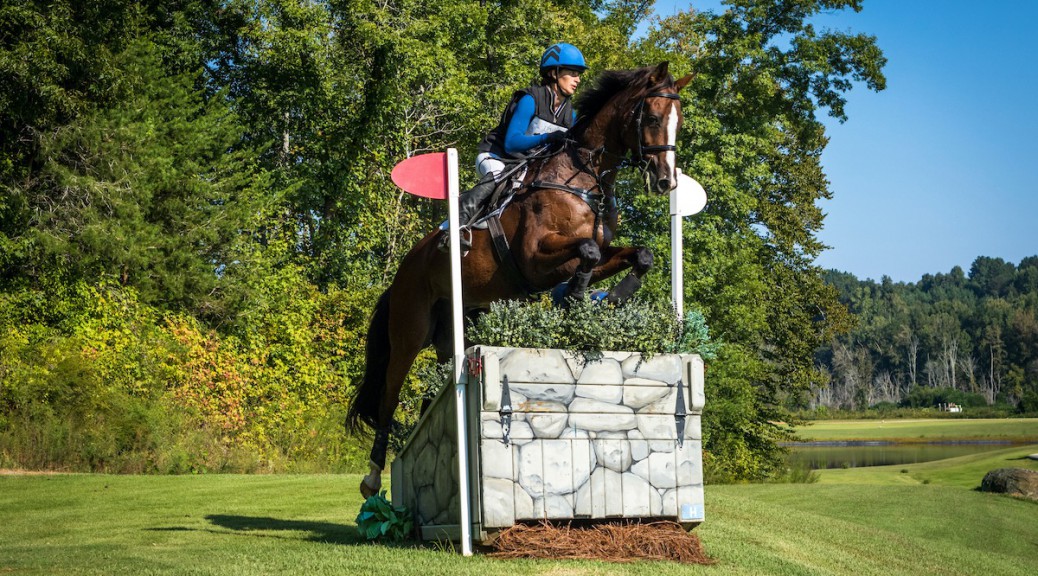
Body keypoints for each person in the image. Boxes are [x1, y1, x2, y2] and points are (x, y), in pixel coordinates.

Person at [443, 43, 588, 246]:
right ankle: (454, 227)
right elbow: (511, 143)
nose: (578, 79)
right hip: (497, 156)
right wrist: (547, 138)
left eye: (579, 74)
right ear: (554, 73)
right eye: (573, 73)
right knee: (497, 176)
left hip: (526, 167)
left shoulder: (569, 114)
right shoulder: (530, 99)